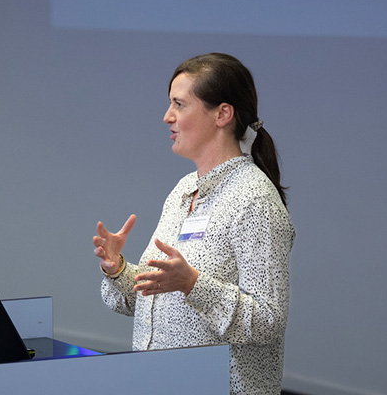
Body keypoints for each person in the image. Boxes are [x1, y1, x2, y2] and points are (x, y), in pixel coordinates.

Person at [93, 52, 294, 395]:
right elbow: (157, 299)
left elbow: (267, 322)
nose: (167, 116)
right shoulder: (184, 190)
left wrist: (192, 284)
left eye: (179, 105)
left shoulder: (254, 200)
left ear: (222, 114)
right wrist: (119, 270)